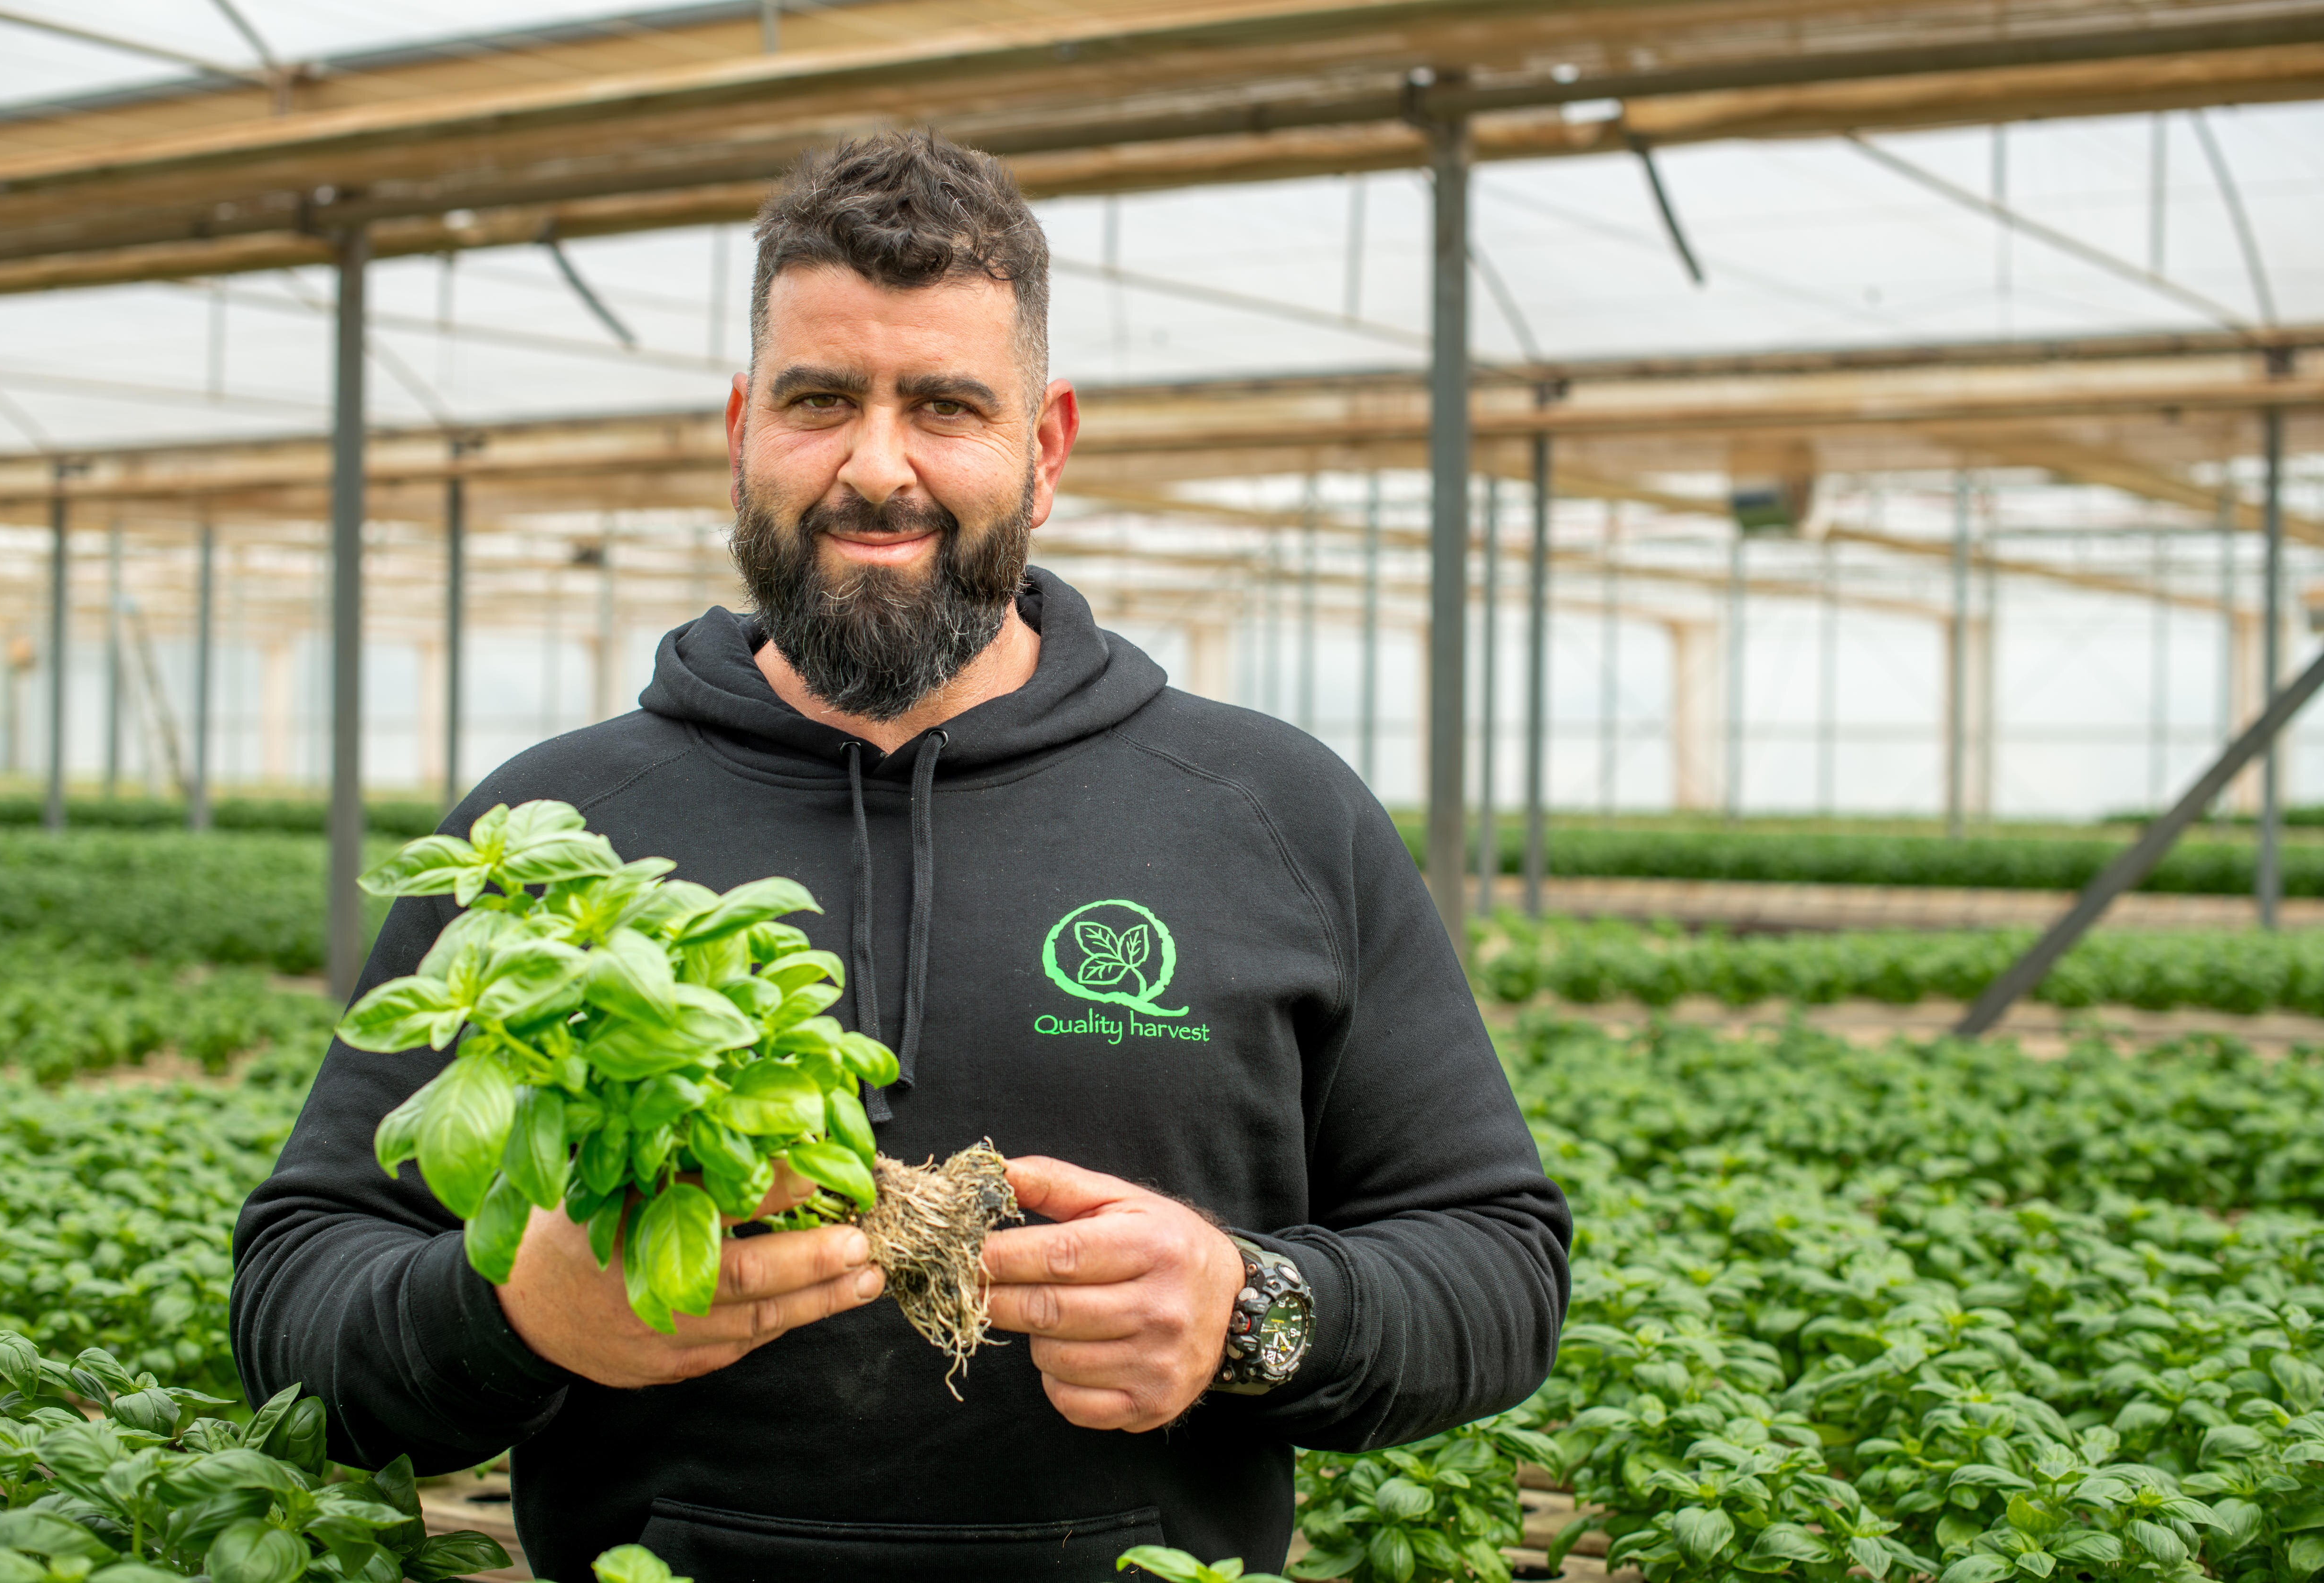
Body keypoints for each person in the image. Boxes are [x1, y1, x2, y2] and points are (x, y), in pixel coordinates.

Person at [232, 130, 1570, 1583]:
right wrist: (514, 1309)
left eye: (944, 405)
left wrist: (1252, 1310)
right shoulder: (544, 842)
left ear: (1043, 447)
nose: (878, 468)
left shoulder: (1273, 810)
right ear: (745, 424)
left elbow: (1497, 1261)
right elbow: (298, 1296)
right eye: (819, 401)